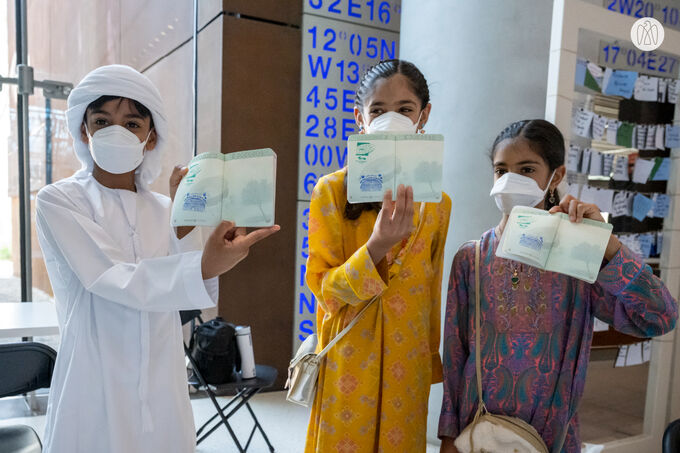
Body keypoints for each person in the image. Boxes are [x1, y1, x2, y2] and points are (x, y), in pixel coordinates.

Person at [35, 64, 279, 453]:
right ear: (85, 131)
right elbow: (112, 276)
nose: (117, 132)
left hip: (161, 374)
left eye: (132, 123)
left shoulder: (165, 207)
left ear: (150, 138)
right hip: (94, 372)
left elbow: (184, 297)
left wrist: (187, 230)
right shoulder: (59, 200)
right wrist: (203, 265)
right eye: (102, 120)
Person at [438, 119, 678, 452]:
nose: (510, 180)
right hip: (477, 434)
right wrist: (448, 438)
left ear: (556, 176)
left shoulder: (576, 256)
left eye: (526, 169)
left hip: (553, 440)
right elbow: (454, 357)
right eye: (500, 170)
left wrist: (608, 247)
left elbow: (659, 318)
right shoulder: (472, 258)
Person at [304, 59, 451, 452]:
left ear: (424, 116)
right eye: (379, 110)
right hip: (351, 356)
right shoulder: (332, 192)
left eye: (405, 109)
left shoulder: (438, 203)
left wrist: (428, 361)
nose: (392, 118)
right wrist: (376, 247)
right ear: (360, 118)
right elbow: (324, 289)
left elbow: (431, 292)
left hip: (408, 361)